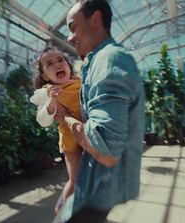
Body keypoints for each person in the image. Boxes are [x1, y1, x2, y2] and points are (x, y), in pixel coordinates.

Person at [52, 0, 145, 222]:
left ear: (95, 20)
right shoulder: (99, 62)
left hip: (98, 190)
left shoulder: (108, 60)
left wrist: (64, 116)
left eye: (73, 27)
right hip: (95, 186)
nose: (69, 38)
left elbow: (106, 150)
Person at [29, 47, 82, 213]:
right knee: (75, 181)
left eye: (61, 60)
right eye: (49, 64)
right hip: (70, 141)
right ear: (45, 76)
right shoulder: (46, 93)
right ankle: (66, 213)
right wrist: (51, 103)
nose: (57, 65)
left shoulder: (80, 81)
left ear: (68, 65)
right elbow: (43, 121)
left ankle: (70, 208)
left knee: (92, 176)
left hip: (88, 133)